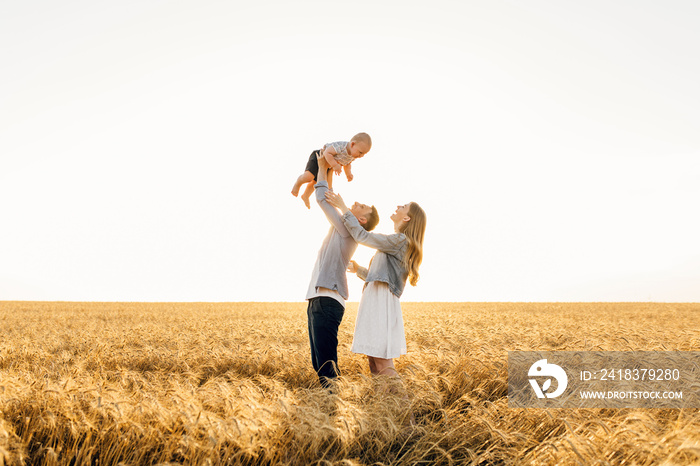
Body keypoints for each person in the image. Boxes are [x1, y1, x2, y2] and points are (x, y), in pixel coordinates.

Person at [324, 191, 426, 383]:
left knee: (382, 363)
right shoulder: (396, 241)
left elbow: (363, 236)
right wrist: (358, 269)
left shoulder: (400, 240)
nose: (398, 206)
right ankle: (383, 409)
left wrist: (344, 208)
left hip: (381, 302)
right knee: (373, 362)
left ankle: (405, 413)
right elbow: (378, 276)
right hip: (374, 299)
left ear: (406, 218)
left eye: (402, 207)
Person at [306, 154, 379, 389]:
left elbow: (321, 198)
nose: (357, 202)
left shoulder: (348, 229)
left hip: (328, 301)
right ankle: (327, 413)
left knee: (327, 368)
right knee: (319, 365)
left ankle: (333, 413)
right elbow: (328, 197)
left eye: (362, 207)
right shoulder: (343, 227)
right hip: (318, 298)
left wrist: (321, 166)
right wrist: (327, 171)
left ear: (361, 220)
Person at [291, 132, 372, 209]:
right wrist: (335, 165)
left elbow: (347, 164)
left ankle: (306, 195)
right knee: (308, 177)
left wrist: (348, 173)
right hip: (319, 156)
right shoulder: (341, 146)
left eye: (364, 154)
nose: (361, 156)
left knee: (316, 182)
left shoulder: (353, 155)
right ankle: (298, 183)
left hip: (327, 166)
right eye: (360, 152)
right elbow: (327, 153)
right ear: (352, 144)